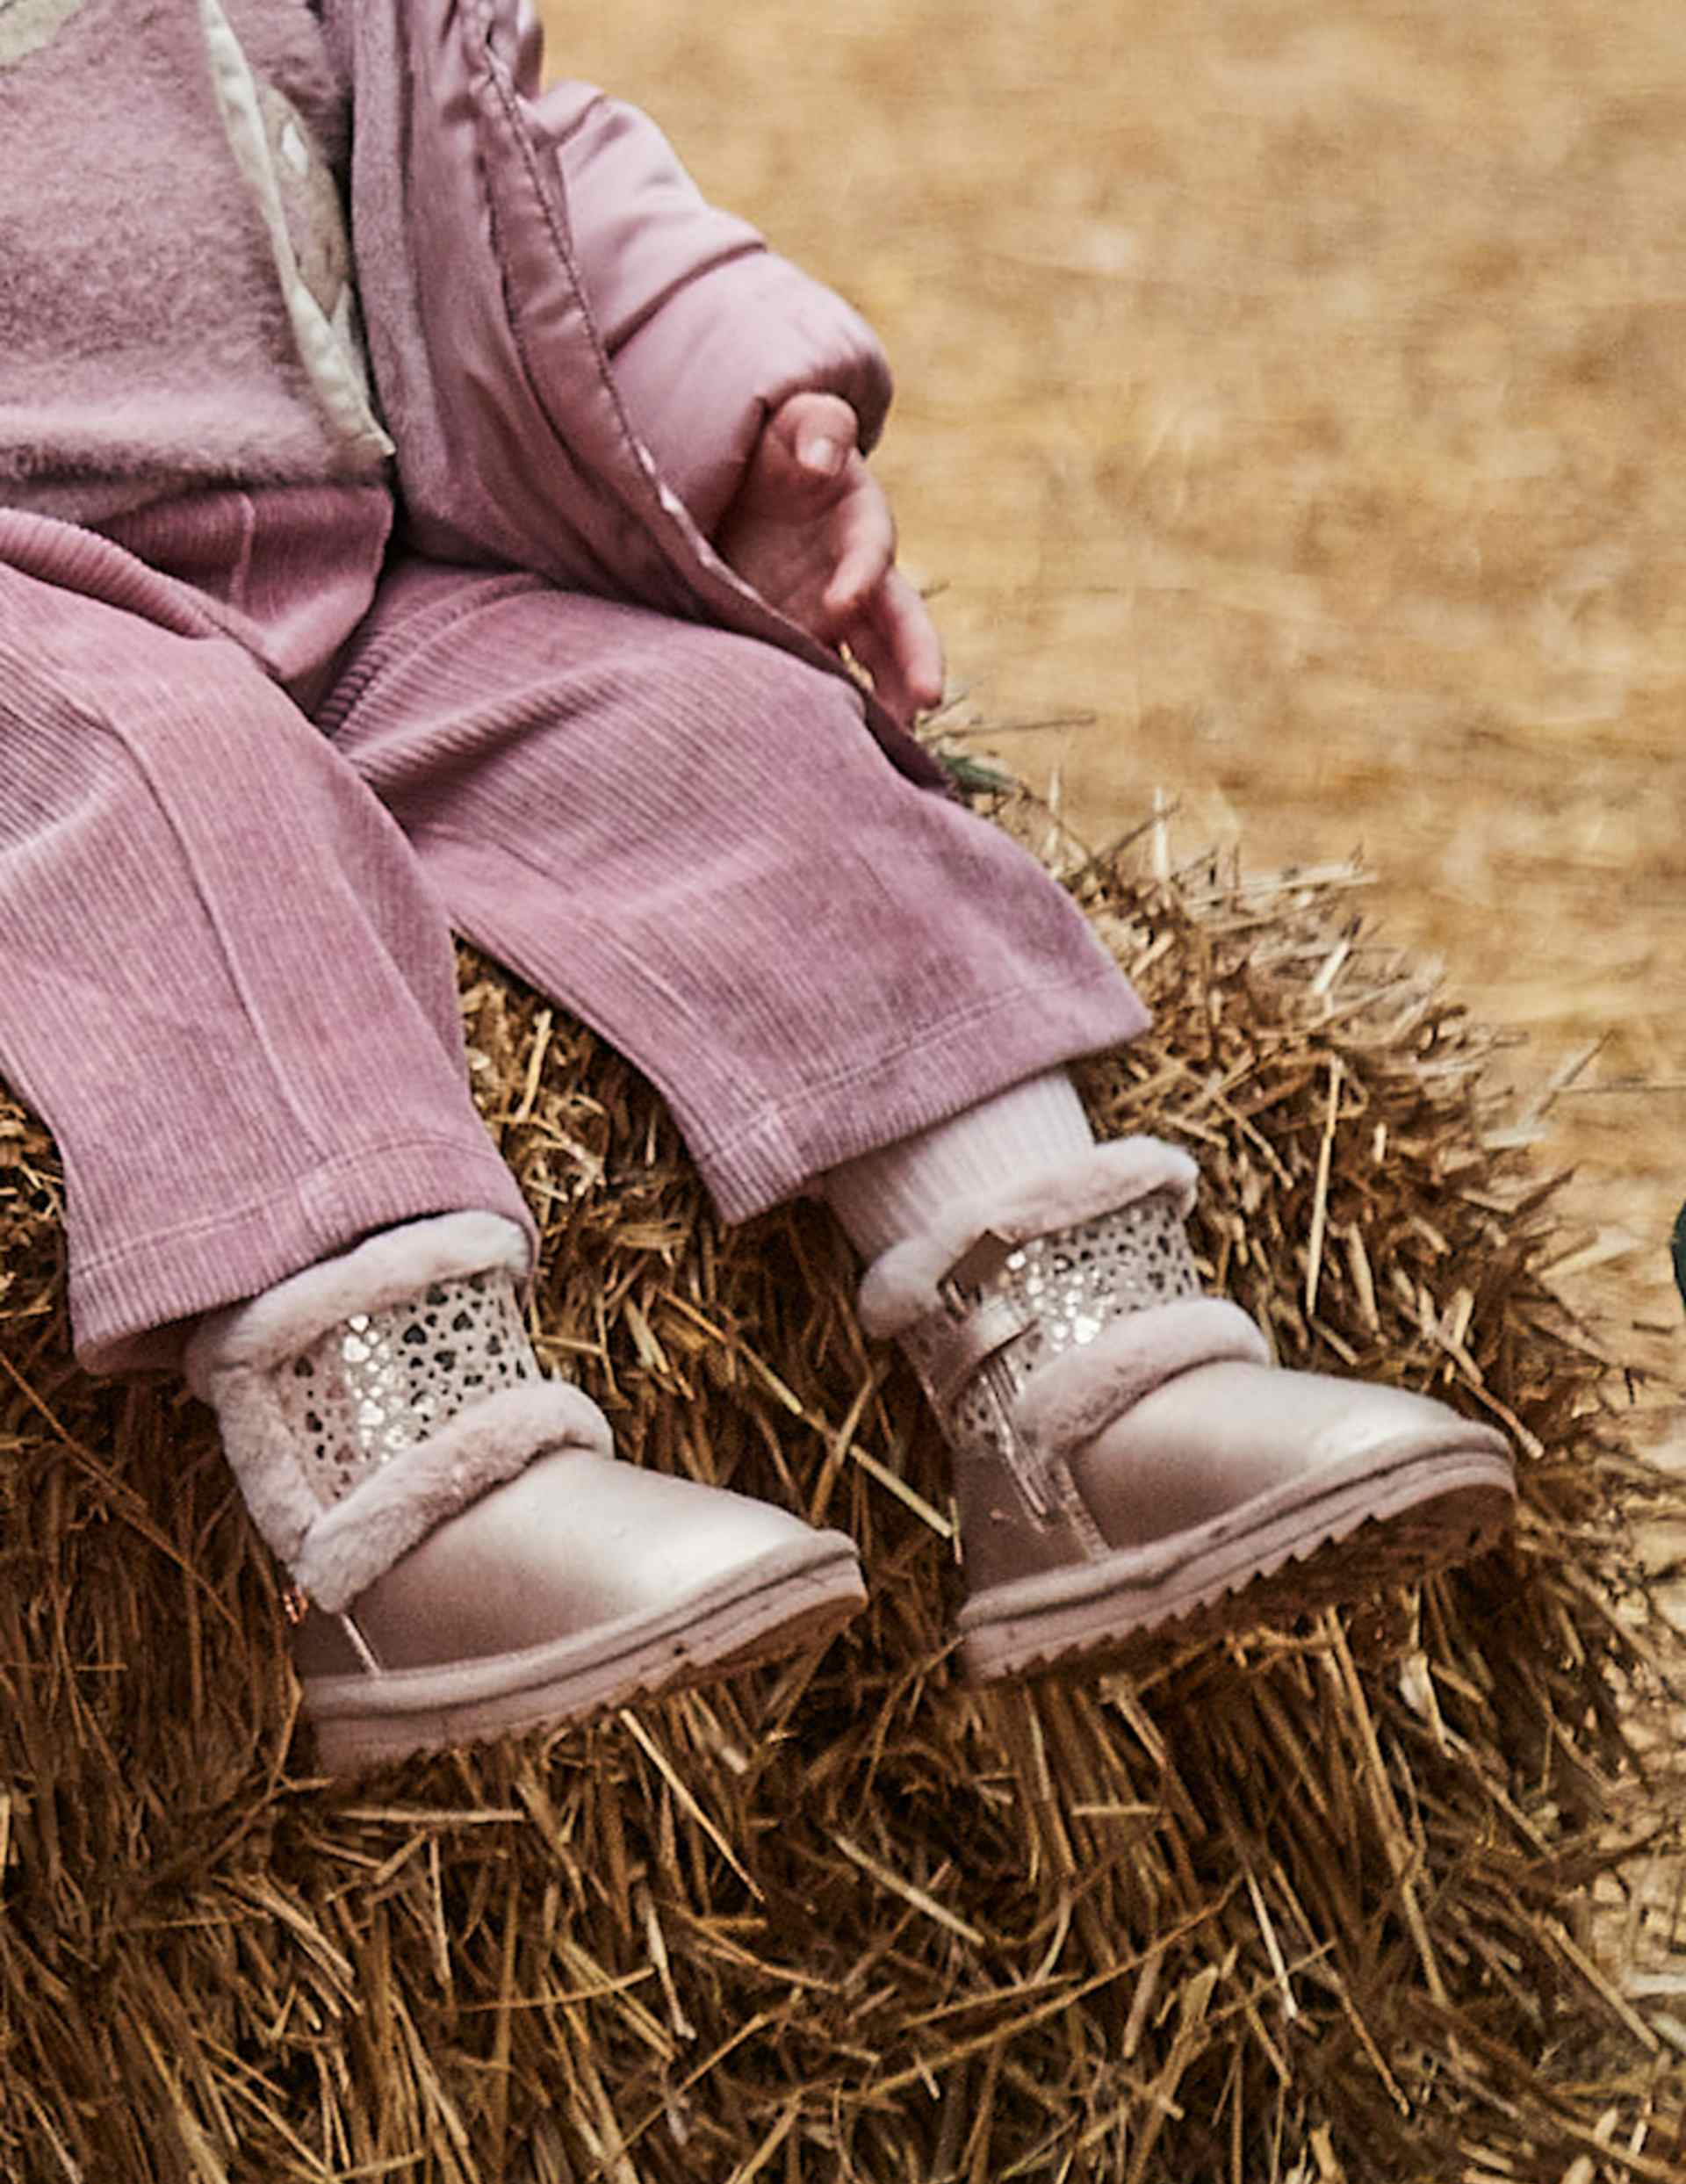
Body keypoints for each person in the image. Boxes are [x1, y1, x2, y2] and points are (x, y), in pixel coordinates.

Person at [0, 0, 1516, 1771]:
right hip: (31, 630)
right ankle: (410, 1500)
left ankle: (1087, 1382)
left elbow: (505, 166)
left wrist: (746, 415)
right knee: (188, 802)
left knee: (724, 733)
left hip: (337, 571)